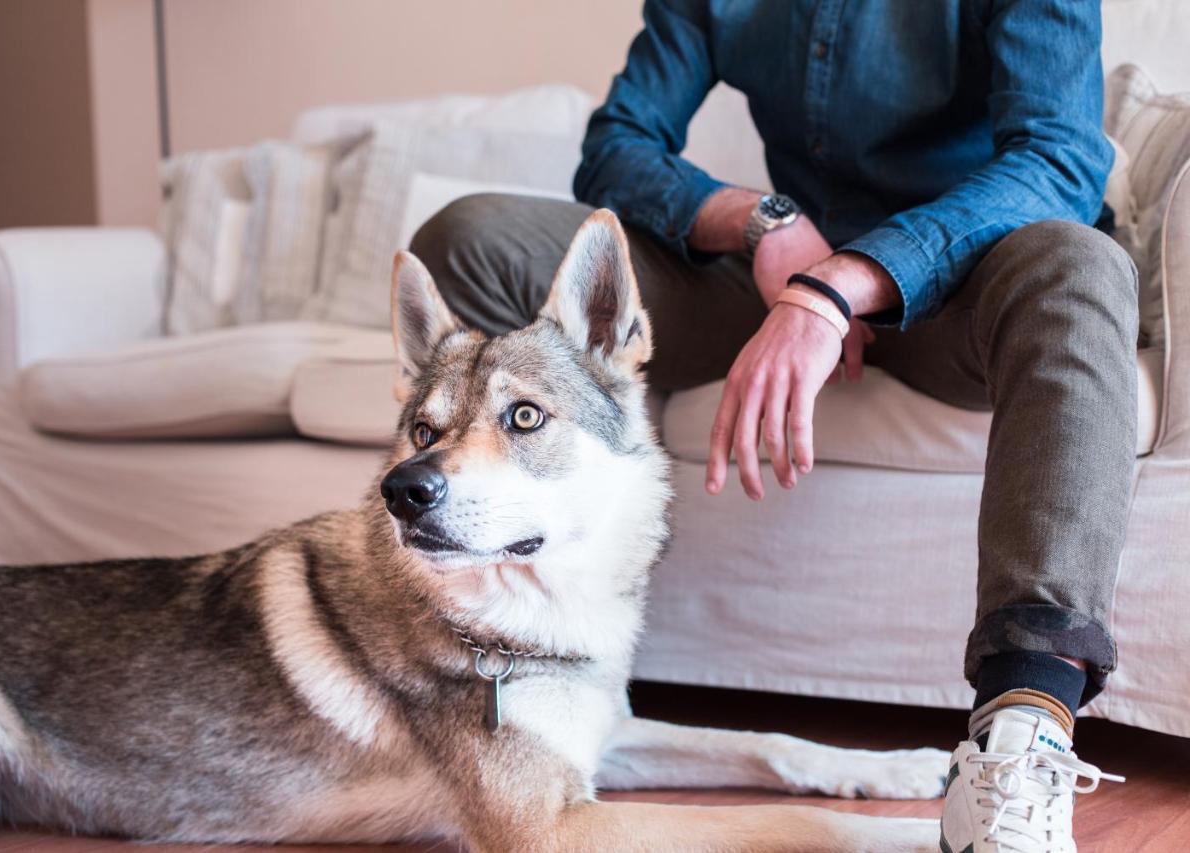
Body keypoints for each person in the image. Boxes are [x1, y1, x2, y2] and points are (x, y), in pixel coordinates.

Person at [408, 2, 1135, 850]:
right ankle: (504, 674)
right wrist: (765, 223)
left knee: (1082, 262)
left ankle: (1021, 730)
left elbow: (1061, 158)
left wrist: (843, 285)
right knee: (470, 238)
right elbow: (617, 144)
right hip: (773, 277)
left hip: (966, 279)